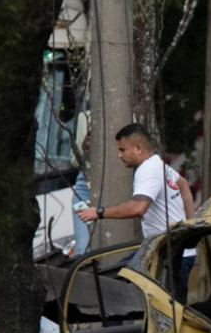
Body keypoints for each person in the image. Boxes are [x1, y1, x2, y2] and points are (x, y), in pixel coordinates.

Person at [76, 123, 195, 290]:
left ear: (138, 148)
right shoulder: (157, 164)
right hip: (162, 251)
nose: (119, 155)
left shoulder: (147, 170)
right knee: (117, 280)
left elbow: (138, 207)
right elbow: (183, 185)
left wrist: (99, 212)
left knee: (170, 311)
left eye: (122, 150)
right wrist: (191, 225)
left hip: (173, 256)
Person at [69, 109, 91, 256]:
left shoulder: (125, 113)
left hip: (114, 184)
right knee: (82, 249)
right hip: (84, 186)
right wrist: (84, 147)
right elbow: (75, 161)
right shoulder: (85, 116)